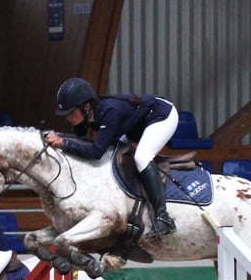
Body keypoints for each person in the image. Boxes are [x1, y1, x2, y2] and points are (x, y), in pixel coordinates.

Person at [45, 77, 179, 237]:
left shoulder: (109, 112)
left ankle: (163, 218)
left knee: (142, 157)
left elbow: (95, 152)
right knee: (113, 156)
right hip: (136, 126)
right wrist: (60, 140)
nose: (68, 118)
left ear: (86, 106)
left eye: (71, 112)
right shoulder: (87, 115)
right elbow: (78, 142)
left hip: (161, 116)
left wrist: (62, 142)